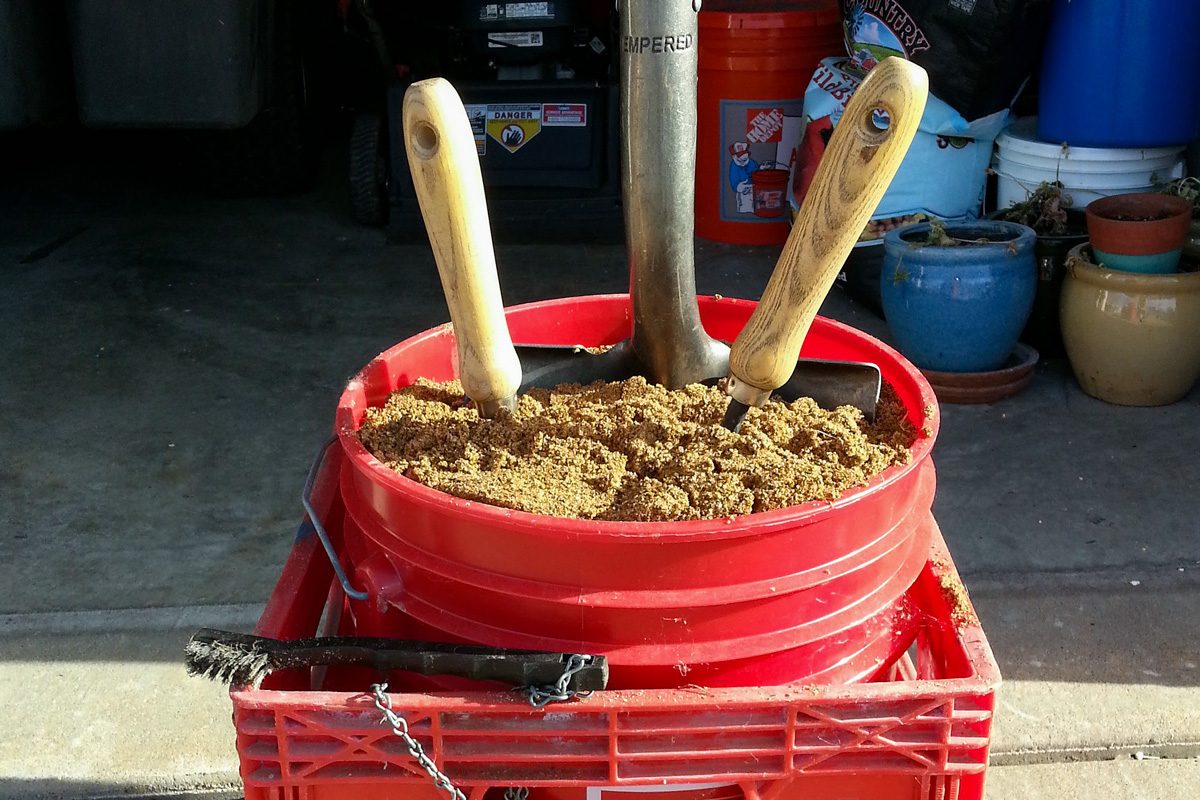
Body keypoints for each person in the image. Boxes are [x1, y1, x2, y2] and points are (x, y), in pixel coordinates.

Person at [728, 141, 759, 213]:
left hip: (754, 190)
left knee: (756, 209)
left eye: (744, 160)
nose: (743, 162)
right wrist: (739, 187)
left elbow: (756, 173)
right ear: (734, 157)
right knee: (745, 209)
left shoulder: (752, 163)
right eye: (740, 160)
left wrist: (762, 169)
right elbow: (734, 181)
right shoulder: (734, 167)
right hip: (743, 194)